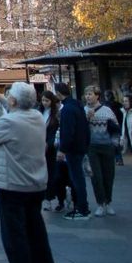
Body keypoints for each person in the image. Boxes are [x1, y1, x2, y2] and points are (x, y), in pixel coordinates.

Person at [0, 82, 58, 263]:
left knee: (15, 239)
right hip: (35, 185)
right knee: (38, 237)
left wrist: (3, 102)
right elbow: (20, 110)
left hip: (13, 185)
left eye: (9, 97)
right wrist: (1, 98)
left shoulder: (8, 121)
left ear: (14, 101)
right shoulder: (36, 117)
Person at [54, 83, 90, 220]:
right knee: (78, 178)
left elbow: (67, 131)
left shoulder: (67, 109)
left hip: (73, 149)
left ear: (58, 93)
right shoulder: (77, 106)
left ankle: (82, 208)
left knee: (77, 178)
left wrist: (63, 149)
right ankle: (83, 207)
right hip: (80, 146)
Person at [84, 86, 120, 217]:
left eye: (90, 94)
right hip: (92, 148)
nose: (88, 96)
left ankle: (108, 202)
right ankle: (100, 203)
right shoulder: (84, 110)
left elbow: (116, 128)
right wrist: (87, 118)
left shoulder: (107, 111)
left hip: (107, 147)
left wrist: (114, 144)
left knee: (108, 176)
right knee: (96, 176)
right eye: (86, 94)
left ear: (97, 96)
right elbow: (81, 130)